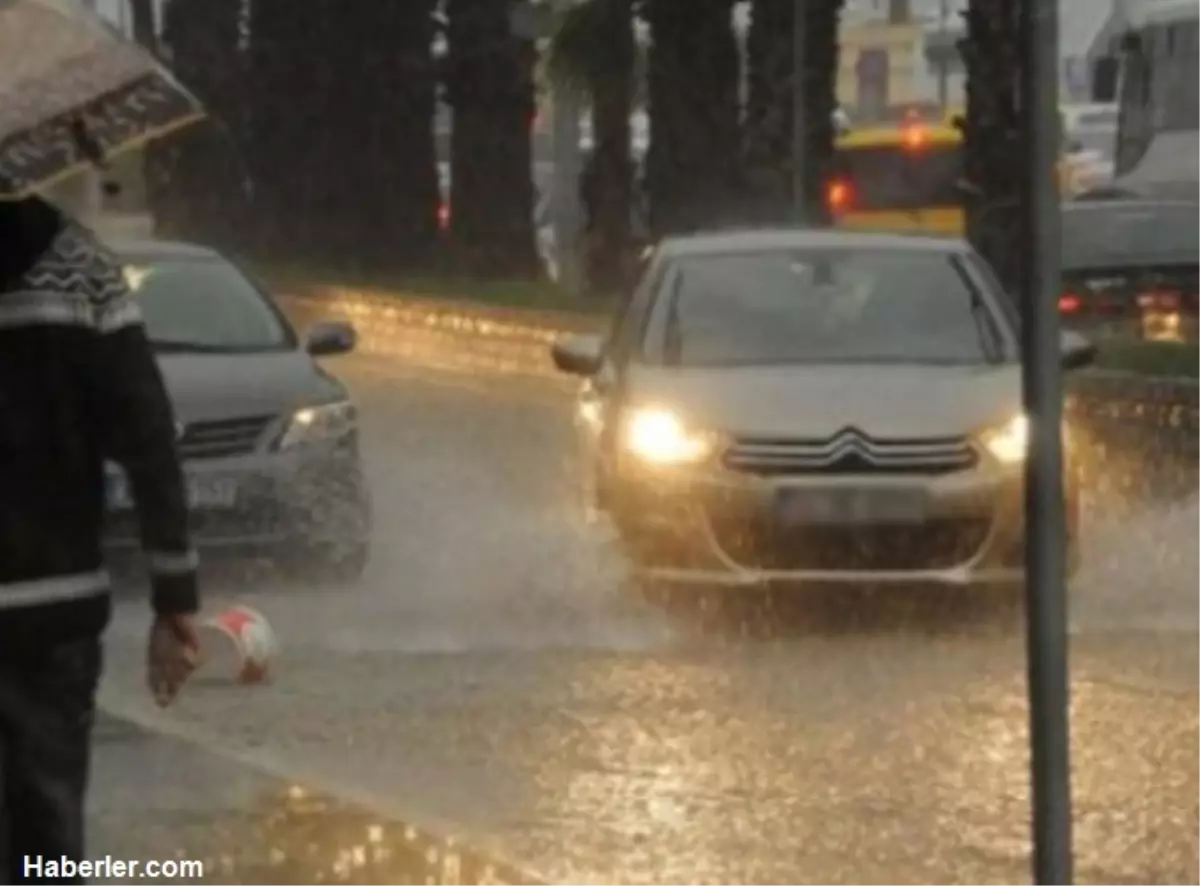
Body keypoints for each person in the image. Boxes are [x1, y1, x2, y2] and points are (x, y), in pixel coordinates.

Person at [0, 194, 201, 881]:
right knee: (45, 840)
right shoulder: (81, 267)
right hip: (53, 612)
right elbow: (149, 440)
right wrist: (174, 598)